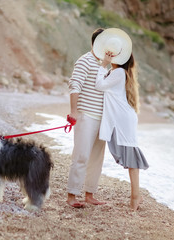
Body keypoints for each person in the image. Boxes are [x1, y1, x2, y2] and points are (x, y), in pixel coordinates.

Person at [93, 28, 149, 210]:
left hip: (122, 120)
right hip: (123, 118)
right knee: (128, 157)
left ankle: (135, 198)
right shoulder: (118, 72)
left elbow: (99, 86)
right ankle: (135, 196)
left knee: (131, 159)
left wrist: (103, 65)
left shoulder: (117, 73)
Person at [66, 28, 107, 208]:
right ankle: (71, 196)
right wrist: (74, 111)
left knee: (97, 158)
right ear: (95, 43)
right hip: (86, 115)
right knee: (81, 156)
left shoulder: (107, 65)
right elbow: (74, 85)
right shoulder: (85, 60)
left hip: (102, 118)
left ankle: (90, 194)